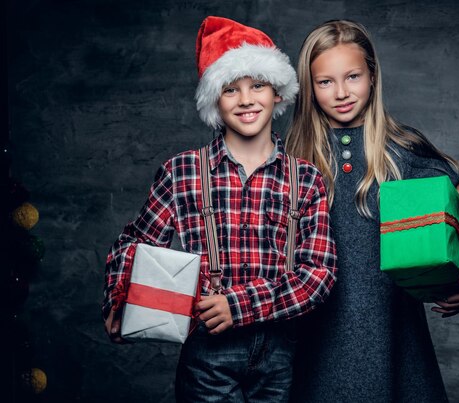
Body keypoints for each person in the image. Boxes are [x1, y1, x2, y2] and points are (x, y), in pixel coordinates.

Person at [102, 16, 337, 403]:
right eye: (230, 89)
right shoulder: (183, 172)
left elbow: (320, 275)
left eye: (257, 85)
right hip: (207, 354)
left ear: (277, 92)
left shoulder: (306, 178)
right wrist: (119, 295)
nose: (246, 100)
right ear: (214, 99)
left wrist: (238, 305)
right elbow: (135, 242)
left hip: (281, 351)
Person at [285, 19, 459, 402]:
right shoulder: (293, 159)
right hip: (316, 336)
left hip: (393, 332)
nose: (341, 92)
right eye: (325, 82)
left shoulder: (401, 149)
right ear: (309, 87)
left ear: (372, 75)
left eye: (352, 76)